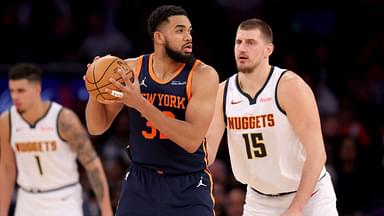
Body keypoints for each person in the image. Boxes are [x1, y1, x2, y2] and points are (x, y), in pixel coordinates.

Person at [85, 5, 219, 216]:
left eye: (190, 30)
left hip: (188, 182)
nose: (188, 37)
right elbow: (96, 127)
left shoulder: (203, 75)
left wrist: (141, 104)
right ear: (159, 37)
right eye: (179, 30)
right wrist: (95, 91)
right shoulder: (131, 70)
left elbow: (192, 140)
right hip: (141, 180)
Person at [206, 18, 338, 215]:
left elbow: (318, 154)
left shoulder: (289, 86)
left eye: (251, 43)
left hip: (309, 196)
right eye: (238, 42)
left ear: (268, 49)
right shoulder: (222, 92)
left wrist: (296, 207)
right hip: (259, 200)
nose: (242, 48)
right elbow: (206, 152)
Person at [0, 63, 113, 216]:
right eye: (12, 90)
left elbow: (92, 164)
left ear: (37, 89)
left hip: (63, 199)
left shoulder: (64, 119)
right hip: (27, 200)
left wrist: (106, 211)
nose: (15, 96)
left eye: (21, 91)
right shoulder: (7, 122)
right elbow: (7, 168)